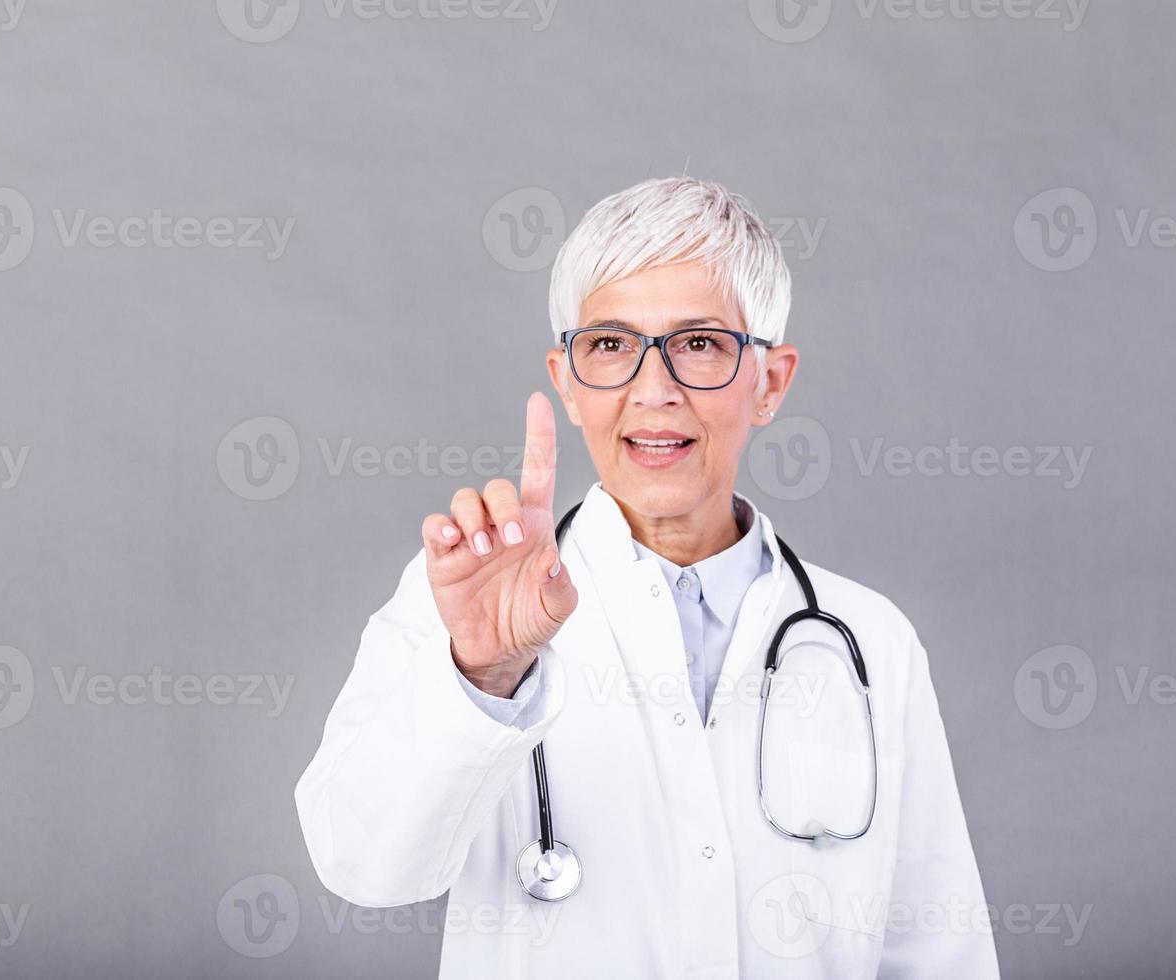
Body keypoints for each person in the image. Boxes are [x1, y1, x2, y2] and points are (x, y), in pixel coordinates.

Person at [295, 176, 999, 979]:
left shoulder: (869, 640)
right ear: (566, 381)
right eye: (611, 345)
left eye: (699, 344)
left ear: (770, 381)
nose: (654, 391)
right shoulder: (463, 608)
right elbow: (361, 867)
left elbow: (940, 946)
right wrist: (484, 672)